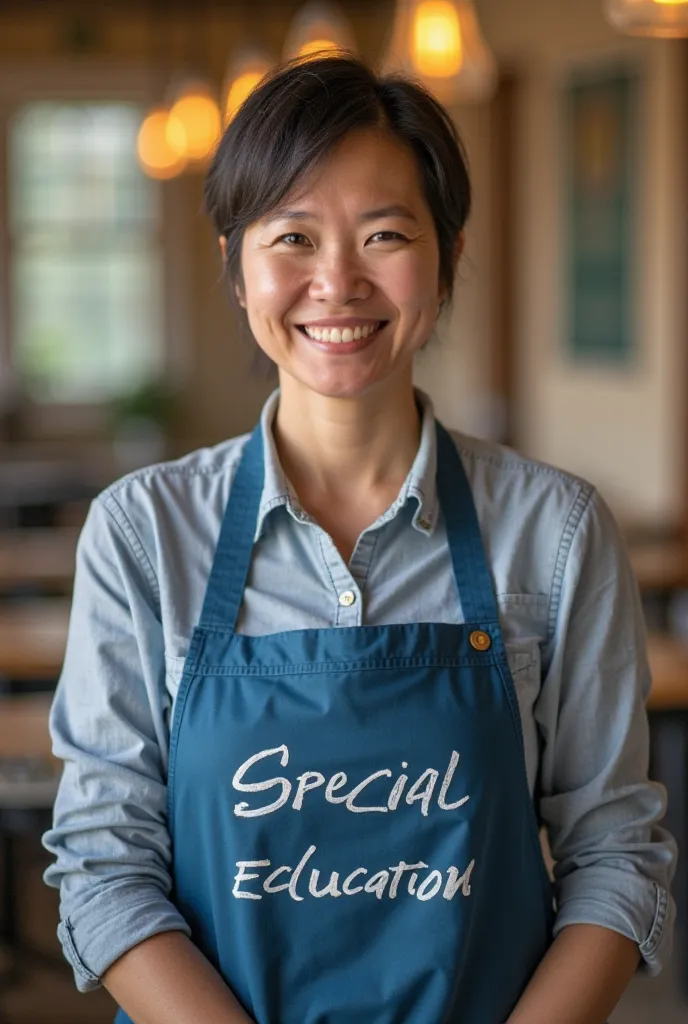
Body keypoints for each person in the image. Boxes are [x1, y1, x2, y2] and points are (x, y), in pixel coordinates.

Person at [43, 54, 676, 1024]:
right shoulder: (144, 531)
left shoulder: (554, 531)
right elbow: (103, 863)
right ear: (235, 260)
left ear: (449, 253)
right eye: (292, 236)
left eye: (384, 234)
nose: (336, 281)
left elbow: (614, 856)